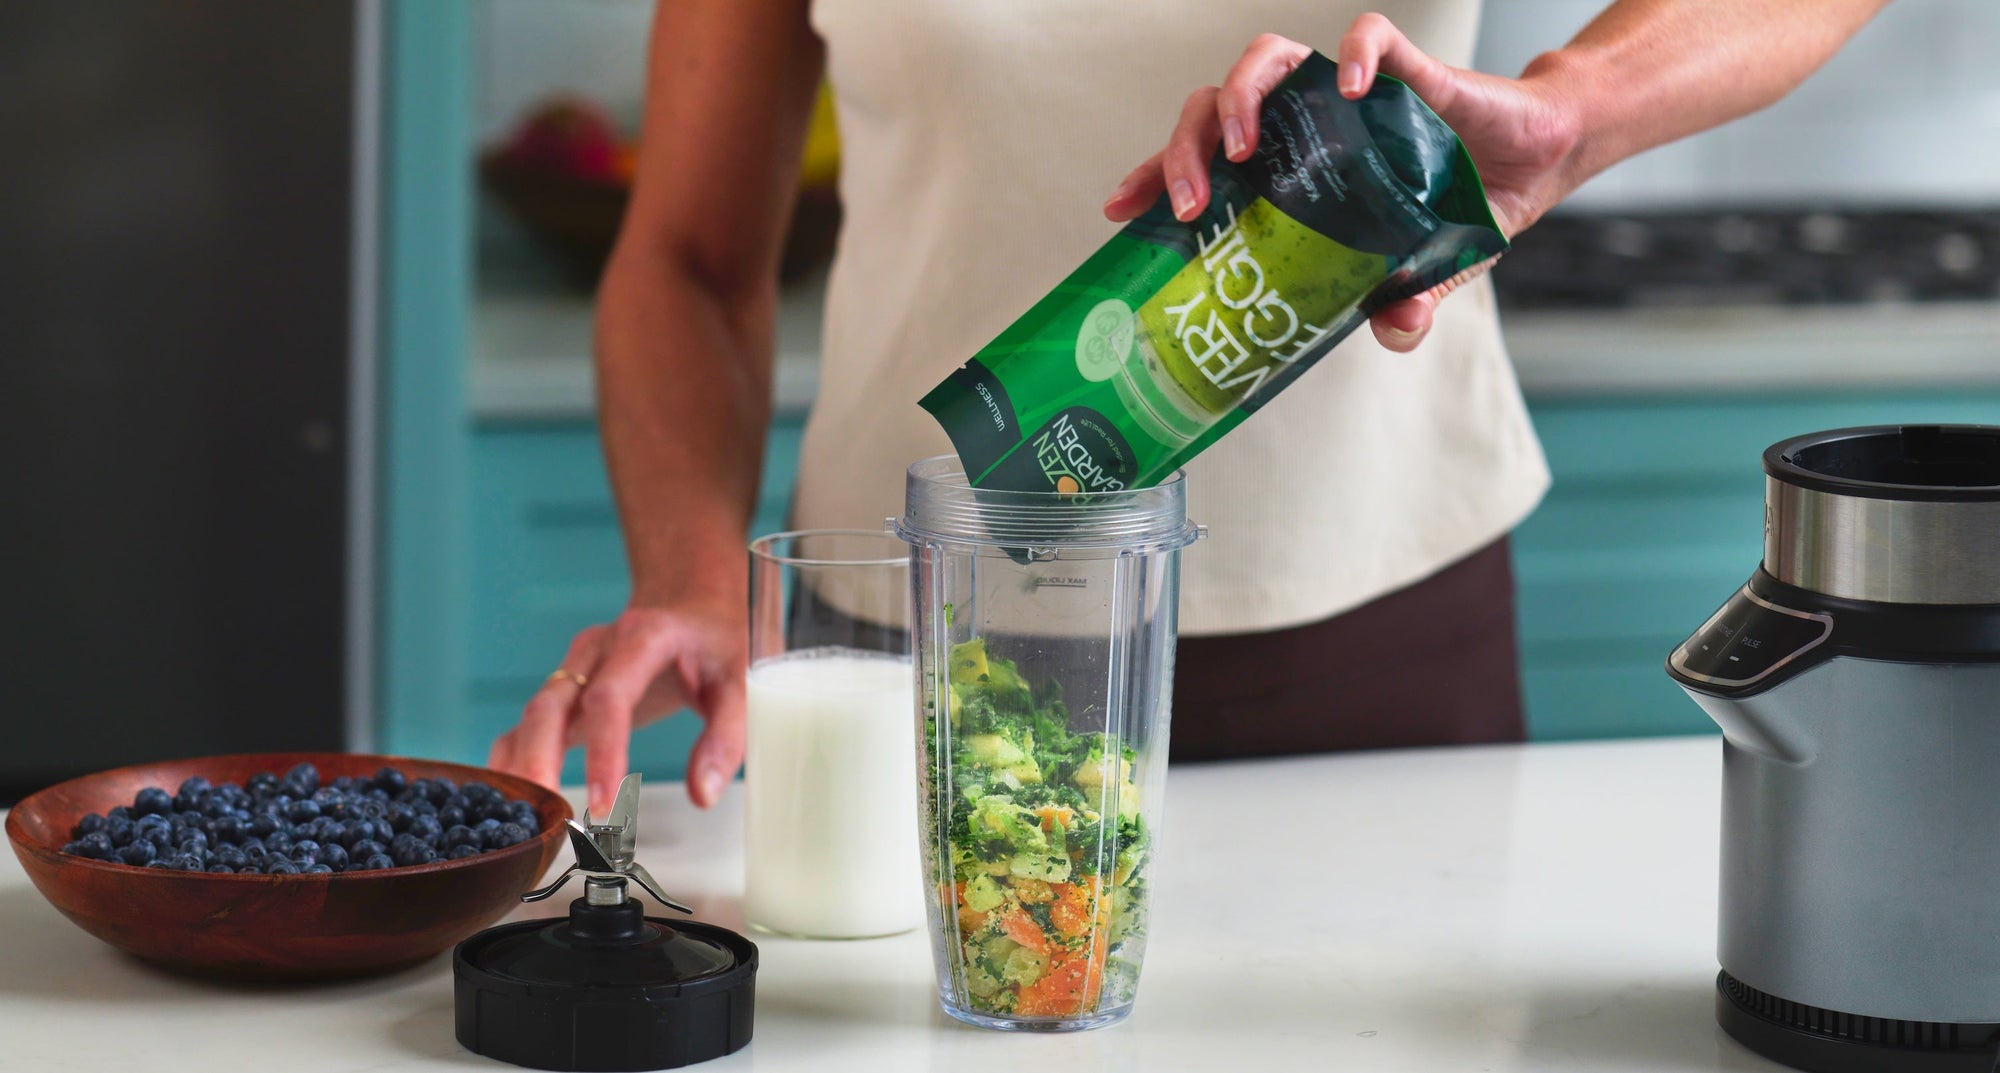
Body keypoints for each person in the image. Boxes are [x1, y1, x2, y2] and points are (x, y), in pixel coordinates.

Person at [489, 1, 1891, 815]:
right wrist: (684, 572)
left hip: (1378, 648)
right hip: (909, 659)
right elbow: (685, 258)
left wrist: (1576, 106)